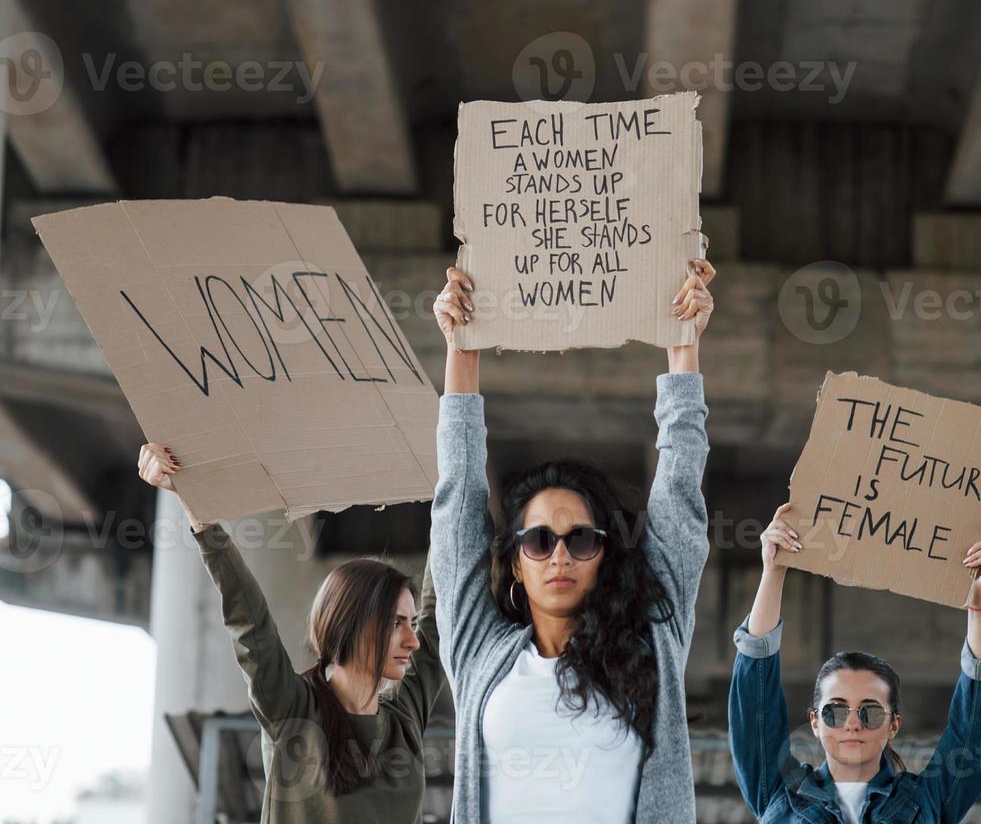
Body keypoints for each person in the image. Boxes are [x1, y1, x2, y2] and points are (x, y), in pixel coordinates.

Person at [428, 259, 715, 823]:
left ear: (605, 554)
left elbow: (679, 493)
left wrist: (684, 347)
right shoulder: (479, 652)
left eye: (580, 539)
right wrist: (462, 349)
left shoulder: (653, 640)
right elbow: (457, 497)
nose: (559, 554)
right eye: (538, 541)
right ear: (514, 563)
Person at [136, 445, 445, 823]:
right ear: (352, 622)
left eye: (411, 624)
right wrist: (194, 505)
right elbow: (251, 619)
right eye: (396, 623)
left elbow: (436, 612)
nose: (411, 640)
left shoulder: (405, 717)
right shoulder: (294, 709)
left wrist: (451, 485)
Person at [729, 502, 981, 822]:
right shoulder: (779, 794)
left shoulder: (929, 801)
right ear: (815, 722)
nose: (852, 723)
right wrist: (774, 571)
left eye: (871, 711)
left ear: (894, 725)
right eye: (834, 711)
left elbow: (976, 727)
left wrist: (978, 603)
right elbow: (754, 705)